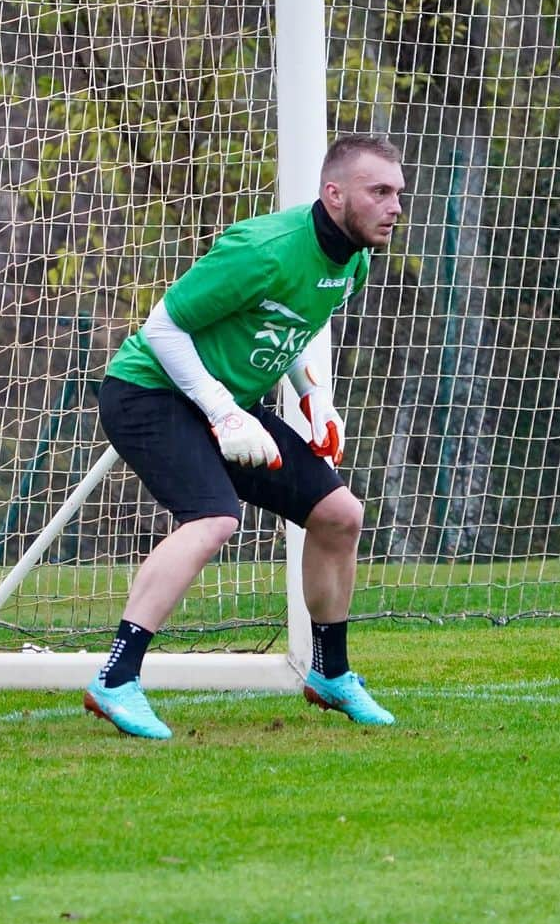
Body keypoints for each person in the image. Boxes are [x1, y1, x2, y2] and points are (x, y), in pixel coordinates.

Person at [84, 133, 406, 739]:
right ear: (334, 194)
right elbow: (163, 327)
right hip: (147, 395)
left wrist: (314, 396)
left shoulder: (354, 259)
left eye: (397, 193)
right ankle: (117, 678)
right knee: (213, 517)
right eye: (380, 192)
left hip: (223, 403)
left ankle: (330, 674)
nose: (394, 207)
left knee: (340, 514)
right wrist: (223, 412)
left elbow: (296, 322)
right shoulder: (264, 249)